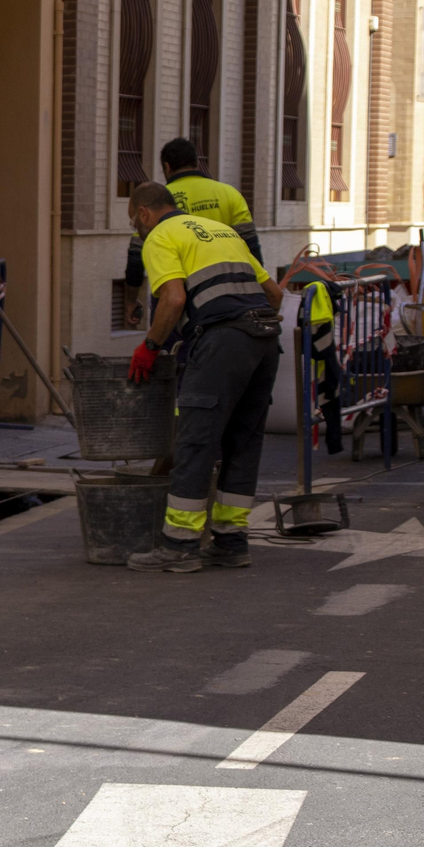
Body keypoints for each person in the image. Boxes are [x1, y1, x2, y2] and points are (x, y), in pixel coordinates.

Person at [123, 182, 285, 572]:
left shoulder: (160, 236)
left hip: (223, 342)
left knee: (197, 440)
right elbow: (275, 295)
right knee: (242, 441)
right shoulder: (221, 231)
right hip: (264, 341)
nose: (137, 229)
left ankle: (179, 545)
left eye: (134, 222)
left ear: (144, 213)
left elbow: (174, 300)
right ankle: (231, 541)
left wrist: (150, 346)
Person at [123, 137, 262, 326]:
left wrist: (131, 300)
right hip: (228, 299)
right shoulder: (230, 194)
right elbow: (251, 250)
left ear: (167, 167)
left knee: (173, 352)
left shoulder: (156, 200)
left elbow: (135, 258)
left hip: (173, 295)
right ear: (197, 162)